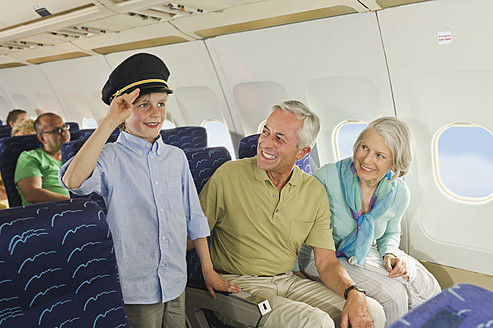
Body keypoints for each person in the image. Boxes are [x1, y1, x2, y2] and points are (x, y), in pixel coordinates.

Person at [59, 53, 240, 328]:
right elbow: (72, 181)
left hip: (175, 281)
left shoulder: (176, 157)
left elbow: (194, 217)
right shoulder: (110, 156)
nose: (155, 112)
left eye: (161, 104)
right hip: (137, 289)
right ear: (123, 111)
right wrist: (108, 122)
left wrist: (208, 270)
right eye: (143, 105)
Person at [199, 100, 385, 328]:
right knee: (318, 323)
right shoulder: (228, 176)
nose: (265, 143)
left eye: (279, 138)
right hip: (240, 286)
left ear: (302, 152)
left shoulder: (313, 191)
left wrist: (353, 292)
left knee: (372, 310)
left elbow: (326, 262)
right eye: (265, 132)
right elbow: (192, 234)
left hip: (287, 280)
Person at [298, 117, 441, 327]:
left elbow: (390, 233)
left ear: (395, 163)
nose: (366, 160)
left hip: (360, 251)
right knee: (393, 295)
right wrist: (293, 271)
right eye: (364, 147)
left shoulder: (398, 192)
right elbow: (294, 226)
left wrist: (390, 254)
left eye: (379, 155)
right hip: (319, 256)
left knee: (427, 285)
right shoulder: (327, 178)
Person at [14, 113, 71, 205]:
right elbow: (32, 194)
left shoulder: (74, 155)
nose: (64, 132)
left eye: (64, 127)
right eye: (57, 130)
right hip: (49, 213)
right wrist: (72, 202)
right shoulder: (30, 157)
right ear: (42, 138)